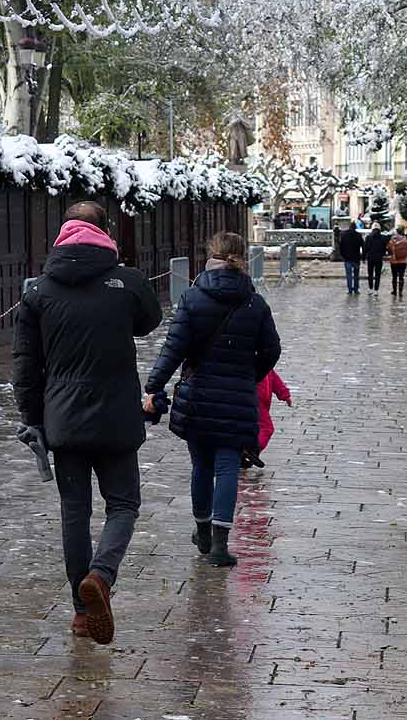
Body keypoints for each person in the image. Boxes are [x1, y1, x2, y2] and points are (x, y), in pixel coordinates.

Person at [13, 201, 162, 645]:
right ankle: (101, 575)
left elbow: (25, 364)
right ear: (105, 232)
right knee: (123, 504)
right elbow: (148, 321)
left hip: (63, 419)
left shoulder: (37, 293)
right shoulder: (127, 282)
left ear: (62, 234)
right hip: (117, 416)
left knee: (74, 513)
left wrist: (31, 418)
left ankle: (81, 613)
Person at [143, 232, 281, 568]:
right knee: (228, 467)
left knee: (202, 466)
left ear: (211, 256)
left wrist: (153, 385)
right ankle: (220, 544)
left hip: (199, 395)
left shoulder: (193, 298)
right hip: (237, 396)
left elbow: (173, 348)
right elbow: (272, 350)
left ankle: (203, 531)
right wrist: (249, 373)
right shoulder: (254, 302)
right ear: (241, 259)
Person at [243, 369, 292, 469]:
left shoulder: (267, 367)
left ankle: (245, 455)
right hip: (255, 400)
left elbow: (275, 380)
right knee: (266, 428)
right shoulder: (253, 362)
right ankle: (250, 450)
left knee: (252, 428)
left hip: (259, 402)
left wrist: (285, 394)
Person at [362, 222, 390, 293]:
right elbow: (386, 246)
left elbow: (365, 248)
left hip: (370, 258)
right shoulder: (383, 237)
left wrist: (363, 258)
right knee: (378, 274)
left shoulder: (368, 237)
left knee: (370, 274)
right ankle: (376, 290)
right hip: (379, 258)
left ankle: (370, 288)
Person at [386, 229, 407, 300]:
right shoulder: (405, 240)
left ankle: (394, 291)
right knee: (401, 277)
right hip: (402, 261)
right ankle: (400, 292)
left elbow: (388, 248)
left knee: (394, 277)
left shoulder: (392, 239)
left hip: (393, 261)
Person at [337, 223, 362, 294]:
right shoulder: (358, 235)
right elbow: (362, 245)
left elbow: (341, 246)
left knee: (349, 275)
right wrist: (362, 256)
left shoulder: (344, 235)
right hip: (356, 258)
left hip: (347, 258)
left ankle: (350, 289)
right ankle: (356, 289)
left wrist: (342, 255)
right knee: (356, 275)